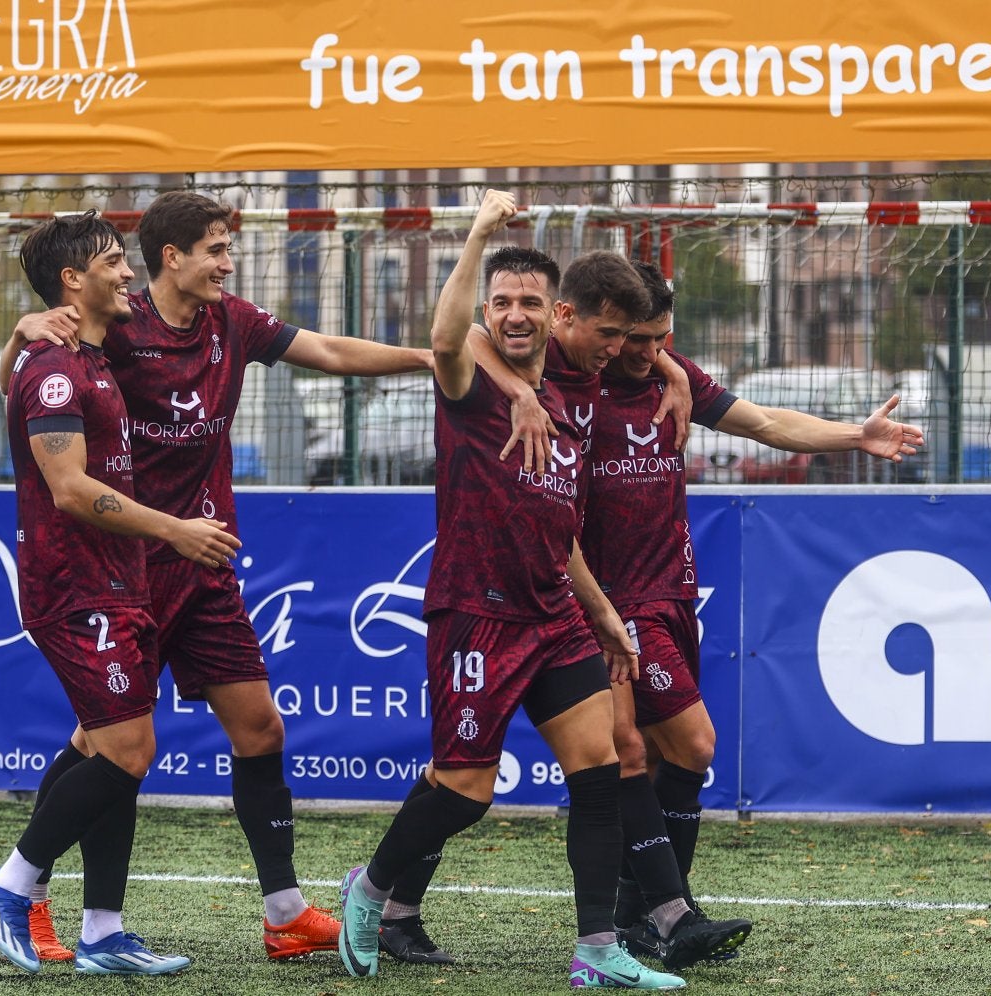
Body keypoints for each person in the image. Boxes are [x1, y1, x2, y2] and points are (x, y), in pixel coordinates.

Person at [0, 190, 433, 962]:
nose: (228, 263)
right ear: (172, 257)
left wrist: (428, 360)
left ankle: (283, 912)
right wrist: (21, 331)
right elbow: (35, 379)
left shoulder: (233, 322)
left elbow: (332, 353)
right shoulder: (113, 326)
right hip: (128, 564)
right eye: (217, 249)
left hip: (203, 565)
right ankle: (36, 896)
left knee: (259, 727)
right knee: (108, 745)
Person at [334, 189, 685, 990]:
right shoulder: (468, 383)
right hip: (476, 615)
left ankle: (597, 949)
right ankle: (373, 888)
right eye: (501, 303)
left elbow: (558, 528)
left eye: (529, 301)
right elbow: (444, 337)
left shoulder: (563, 397)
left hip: (554, 614)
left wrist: (602, 613)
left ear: (553, 311)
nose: (514, 314)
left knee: (599, 768)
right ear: (487, 312)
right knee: (466, 791)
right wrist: (479, 233)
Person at [378, 252, 752, 973]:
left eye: (647, 340)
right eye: (620, 336)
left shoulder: (619, 369)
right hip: (491, 602)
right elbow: (464, 336)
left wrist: (673, 369)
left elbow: (748, 415)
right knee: (464, 782)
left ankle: (631, 927)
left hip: (569, 599)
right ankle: (384, 897)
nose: (631, 351)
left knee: (613, 760)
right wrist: (519, 388)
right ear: (570, 319)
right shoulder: (533, 361)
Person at [592, 260, 924, 958]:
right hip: (614, 604)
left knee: (653, 757)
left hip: (672, 592)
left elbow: (767, 422)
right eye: (635, 339)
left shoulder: (671, 373)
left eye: (660, 339)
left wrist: (855, 435)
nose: (647, 352)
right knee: (690, 745)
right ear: (607, 326)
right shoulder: (574, 383)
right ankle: (666, 912)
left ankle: (640, 913)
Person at [0, 211, 240, 976]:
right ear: (73, 280)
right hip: (75, 587)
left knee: (104, 745)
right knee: (127, 749)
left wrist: (18, 336)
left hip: (118, 583)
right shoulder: (57, 368)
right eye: (113, 262)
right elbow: (67, 488)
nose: (128, 275)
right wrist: (174, 529)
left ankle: (103, 933)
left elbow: (16, 380)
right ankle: (10, 883)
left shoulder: (85, 358)